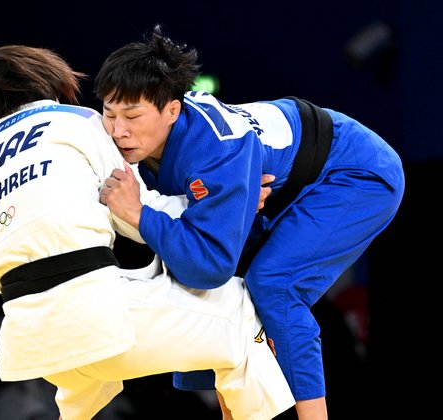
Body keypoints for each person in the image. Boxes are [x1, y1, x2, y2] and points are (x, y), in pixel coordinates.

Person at [0, 44, 295, 420]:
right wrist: (231, 198)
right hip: (93, 317)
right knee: (239, 312)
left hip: (33, 344)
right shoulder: (75, 122)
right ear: (49, 81)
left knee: (81, 399)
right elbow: (131, 211)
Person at [95, 25, 405, 420]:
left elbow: (208, 267)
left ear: (173, 109)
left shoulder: (213, 152)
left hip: (354, 172)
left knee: (274, 284)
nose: (119, 129)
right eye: (110, 114)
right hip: (291, 174)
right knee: (203, 297)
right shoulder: (116, 140)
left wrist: (139, 213)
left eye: (132, 116)